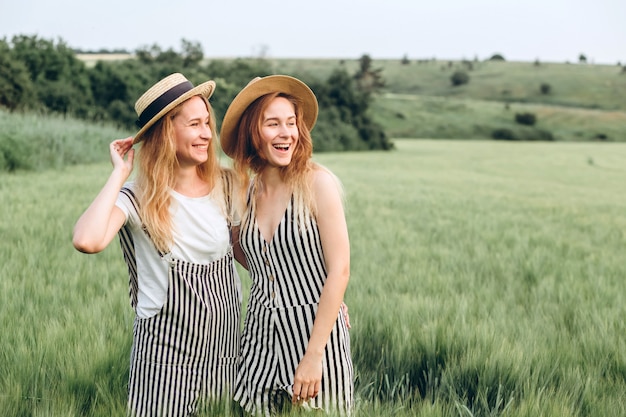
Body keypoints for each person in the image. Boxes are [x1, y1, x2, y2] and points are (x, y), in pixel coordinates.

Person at [72, 73, 244, 417]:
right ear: (167, 130)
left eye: (207, 123)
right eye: (194, 124)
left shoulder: (225, 184)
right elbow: (87, 240)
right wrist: (120, 174)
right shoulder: (137, 197)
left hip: (224, 352)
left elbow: (246, 251)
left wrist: (312, 294)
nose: (207, 134)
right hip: (165, 359)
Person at [220, 75, 354, 416]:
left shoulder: (317, 183)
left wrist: (314, 355)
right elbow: (244, 251)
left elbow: (339, 269)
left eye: (291, 123)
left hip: (315, 338)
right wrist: (286, 278)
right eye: (273, 123)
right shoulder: (245, 192)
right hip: (259, 334)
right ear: (253, 132)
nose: (286, 133)